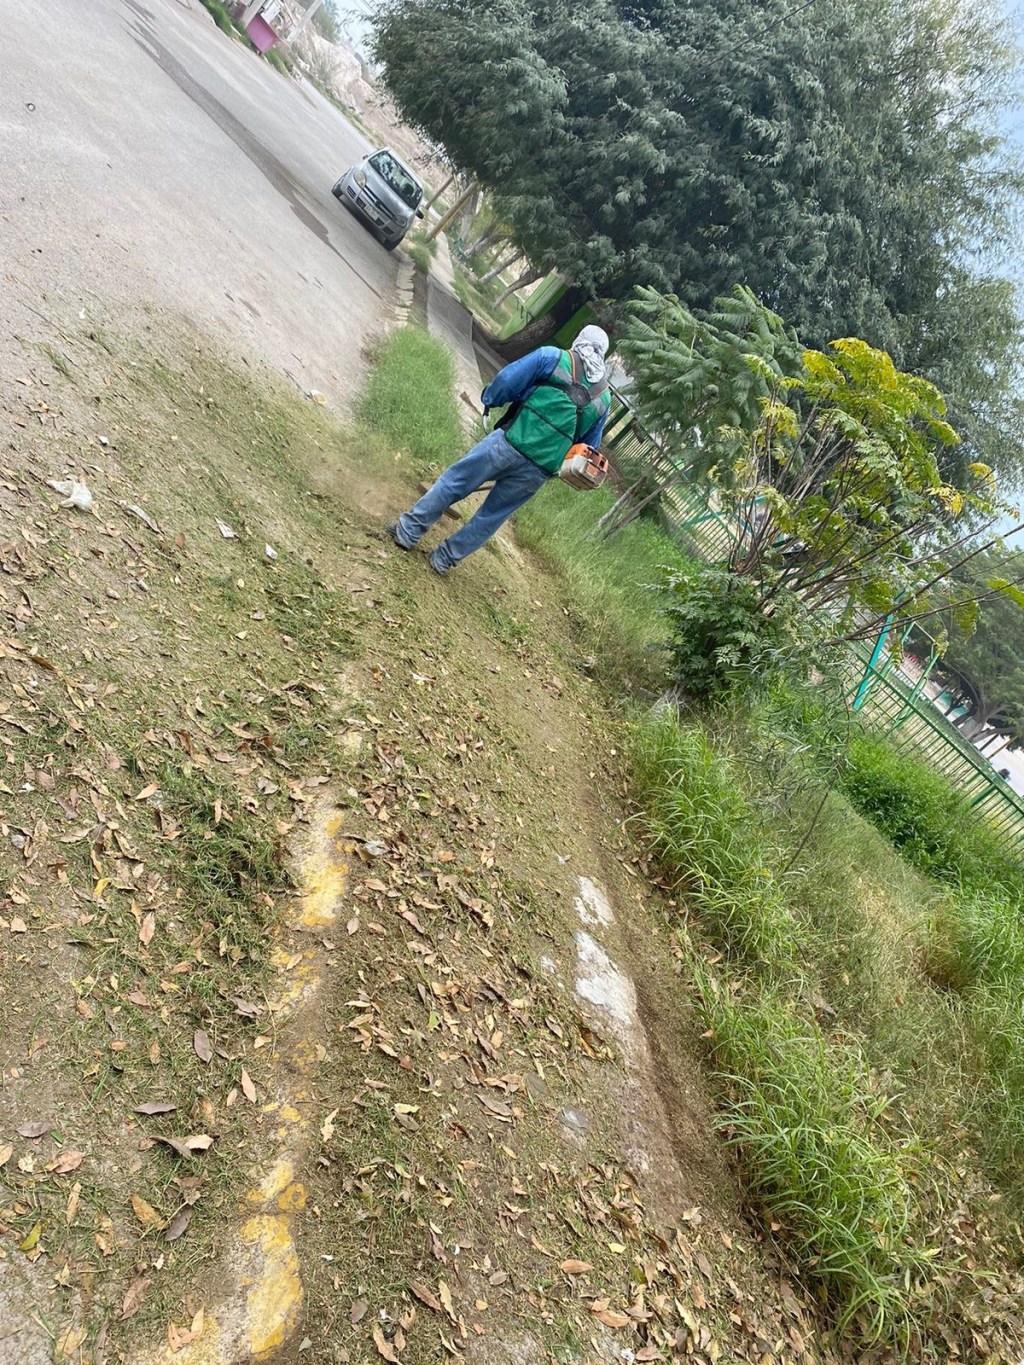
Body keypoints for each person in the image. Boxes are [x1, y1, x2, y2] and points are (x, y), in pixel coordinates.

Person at [386, 325, 612, 573]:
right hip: (537, 471)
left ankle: (407, 532)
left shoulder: (553, 357)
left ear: (579, 340)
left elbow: (507, 380)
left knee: (454, 482)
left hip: (507, 443)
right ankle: (443, 560)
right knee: (491, 517)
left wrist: (490, 399)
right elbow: (589, 448)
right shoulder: (603, 399)